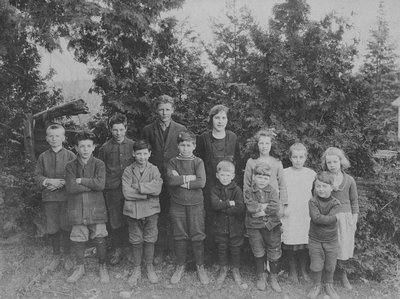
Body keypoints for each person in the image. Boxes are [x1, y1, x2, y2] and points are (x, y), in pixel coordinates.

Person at [142, 95, 186, 262]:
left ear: (173, 110)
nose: (164, 112)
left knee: (174, 214)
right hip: (155, 179)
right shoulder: (148, 130)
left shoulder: (180, 128)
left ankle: (173, 250)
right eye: (161, 109)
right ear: (156, 110)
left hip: (174, 179)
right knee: (156, 214)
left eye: (167, 109)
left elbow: (184, 152)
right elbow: (145, 154)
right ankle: (159, 250)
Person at [65, 131, 109, 283]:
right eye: (82, 146)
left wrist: (81, 180)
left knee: (100, 235)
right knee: (78, 235)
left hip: (96, 206)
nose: (85, 149)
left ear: (94, 147)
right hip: (77, 207)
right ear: (76, 148)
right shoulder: (70, 166)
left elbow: (101, 184)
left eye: (88, 146)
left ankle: (103, 267)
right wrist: (91, 184)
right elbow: (70, 188)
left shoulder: (99, 164)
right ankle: (79, 267)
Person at [166, 131, 209, 285]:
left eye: (188, 145)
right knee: (179, 235)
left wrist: (181, 180)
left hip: (196, 204)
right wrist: (189, 177)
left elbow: (201, 182)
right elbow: (171, 181)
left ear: (194, 146)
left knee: (197, 235)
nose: (185, 148)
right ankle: (180, 265)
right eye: (182, 145)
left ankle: (200, 266)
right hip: (177, 203)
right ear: (178, 146)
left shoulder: (198, 162)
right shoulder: (172, 162)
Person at [197, 105, 240, 253]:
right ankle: (211, 254)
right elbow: (199, 163)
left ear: (227, 120)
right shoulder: (203, 138)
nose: (220, 121)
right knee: (210, 218)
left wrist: (235, 187)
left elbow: (238, 162)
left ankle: (229, 254)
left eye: (223, 118)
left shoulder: (233, 138)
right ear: (211, 120)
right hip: (210, 186)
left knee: (228, 217)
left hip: (229, 187)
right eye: (217, 118)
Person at [34, 124, 76, 272]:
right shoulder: (43, 157)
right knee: (52, 227)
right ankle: (56, 255)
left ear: (63, 138)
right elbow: (37, 176)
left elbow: (76, 175)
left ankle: (68, 255)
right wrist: (49, 182)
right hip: (49, 198)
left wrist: (62, 183)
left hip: (66, 198)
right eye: (51, 136)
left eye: (57, 136)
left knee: (66, 225)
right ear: (47, 138)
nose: (54, 139)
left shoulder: (71, 156)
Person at [121, 140, 163, 286]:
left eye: (145, 153)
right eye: (139, 153)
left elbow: (157, 189)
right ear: (133, 154)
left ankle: (149, 267)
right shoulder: (128, 170)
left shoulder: (154, 169)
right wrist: (146, 193)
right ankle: (137, 268)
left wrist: (138, 186)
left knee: (150, 238)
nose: (142, 157)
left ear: (150, 154)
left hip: (151, 210)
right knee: (136, 239)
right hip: (133, 211)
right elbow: (126, 193)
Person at [98, 113, 135, 265]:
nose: (118, 133)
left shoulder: (133, 145)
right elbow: (100, 169)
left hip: (130, 189)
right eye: (115, 130)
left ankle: (131, 249)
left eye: (121, 129)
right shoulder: (105, 148)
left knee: (131, 218)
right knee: (115, 220)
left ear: (126, 129)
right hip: (112, 190)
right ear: (110, 130)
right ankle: (118, 249)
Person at [321, 147, 359, 290]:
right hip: (328, 217)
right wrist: (328, 188)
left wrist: (354, 220)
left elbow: (354, 202)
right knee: (327, 247)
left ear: (341, 162)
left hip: (345, 218)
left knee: (343, 247)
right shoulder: (323, 177)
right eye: (329, 162)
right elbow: (316, 195)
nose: (332, 165)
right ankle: (327, 277)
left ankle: (343, 275)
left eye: (335, 162)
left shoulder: (349, 180)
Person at [244, 162, 282, 293]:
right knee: (258, 250)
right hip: (254, 226)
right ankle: (261, 276)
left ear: (269, 178)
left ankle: (273, 277)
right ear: (254, 177)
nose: (262, 181)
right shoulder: (249, 191)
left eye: (265, 178)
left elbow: (275, 206)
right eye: (259, 177)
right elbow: (250, 207)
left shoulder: (272, 190)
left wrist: (262, 210)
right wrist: (264, 206)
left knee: (274, 249)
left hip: (271, 225)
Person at [282, 143, 316, 283]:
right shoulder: (284, 173)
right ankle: (292, 271)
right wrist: (283, 208)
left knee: (304, 241)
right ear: (290, 157)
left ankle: (303, 270)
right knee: (290, 241)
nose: (298, 160)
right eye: (295, 157)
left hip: (304, 212)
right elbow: (281, 193)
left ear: (305, 158)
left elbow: (315, 194)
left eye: (301, 157)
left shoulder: (311, 174)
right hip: (290, 211)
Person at [210, 160, 245, 289]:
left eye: (228, 175)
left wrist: (222, 205)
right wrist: (230, 203)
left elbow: (240, 207)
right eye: (222, 175)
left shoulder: (236, 189)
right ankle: (223, 269)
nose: (225, 178)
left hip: (235, 226)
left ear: (233, 176)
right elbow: (214, 205)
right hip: (220, 225)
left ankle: (236, 270)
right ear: (217, 175)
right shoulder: (214, 189)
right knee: (222, 247)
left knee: (235, 248)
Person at [307, 171, 341, 299]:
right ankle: (316, 285)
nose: (321, 189)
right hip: (315, 239)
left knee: (330, 264)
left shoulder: (336, 203)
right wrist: (331, 218)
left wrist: (328, 218)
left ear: (331, 187)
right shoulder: (312, 201)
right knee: (316, 264)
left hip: (331, 239)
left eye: (324, 186)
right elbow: (316, 219)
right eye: (318, 186)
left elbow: (330, 217)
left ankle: (329, 285)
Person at [243, 129, 287, 207]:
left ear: (271, 144)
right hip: (256, 202)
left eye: (267, 143)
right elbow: (247, 184)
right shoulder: (251, 162)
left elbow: (282, 184)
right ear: (257, 144)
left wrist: (283, 203)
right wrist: (248, 202)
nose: (264, 146)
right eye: (261, 143)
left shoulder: (277, 162)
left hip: (273, 201)